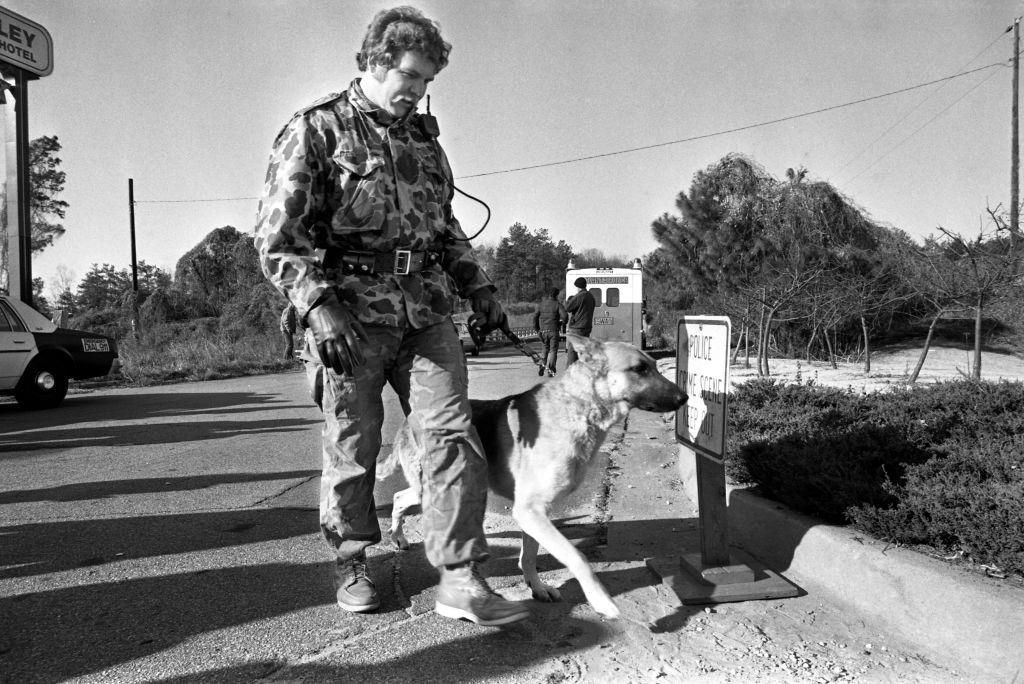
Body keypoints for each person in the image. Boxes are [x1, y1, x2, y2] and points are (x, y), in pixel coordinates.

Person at [254, 6, 528, 626]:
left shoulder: (422, 140)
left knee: (452, 435)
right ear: (376, 62)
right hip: (349, 317)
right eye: (411, 77)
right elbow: (278, 240)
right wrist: (318, 306)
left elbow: (444, 225)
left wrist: (476, 283)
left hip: (426, 310)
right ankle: (353, 558)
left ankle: (459, 576)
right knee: (354, 446)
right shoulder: (315, 130)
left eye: (428, 82)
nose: (419, 92)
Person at [531, 287, 567, 375]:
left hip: (543, 331)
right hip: (553, 331)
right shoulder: (557, 305)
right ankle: (551, 370)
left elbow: (535, 317)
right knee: (553, 351)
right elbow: (565, 317)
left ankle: (542, 366)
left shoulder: (541, 305)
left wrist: (537, 330)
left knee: (544, 349)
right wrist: (560, 324)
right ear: (557, 295)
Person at [564, 277, 596, 366]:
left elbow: (568, 308)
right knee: (583, 351)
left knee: (572, 352)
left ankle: (570, 373)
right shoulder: (591, 296)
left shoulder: (580, 296)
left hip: (577, 327)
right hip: (587, 327)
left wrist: (568, 301)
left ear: (578, 286)